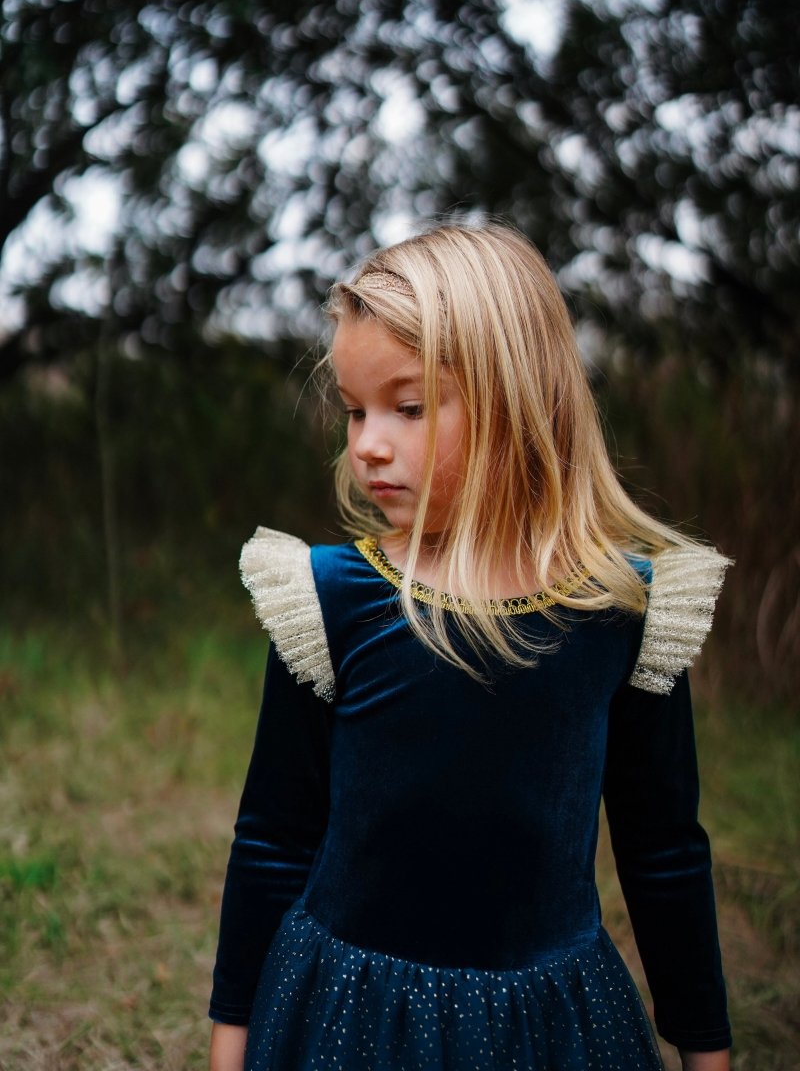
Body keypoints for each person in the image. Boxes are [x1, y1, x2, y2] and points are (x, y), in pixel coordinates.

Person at [208, 222, 733, 1071]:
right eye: (354, 410)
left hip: (550, 1025)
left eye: (408, 408)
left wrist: (705, 1049)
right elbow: (272, 834)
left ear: (517, 398)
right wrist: (230, 1042)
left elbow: (663, 846)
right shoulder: (331, 599)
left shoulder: (621, 610)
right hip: (350, 1019)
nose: (369, 442)